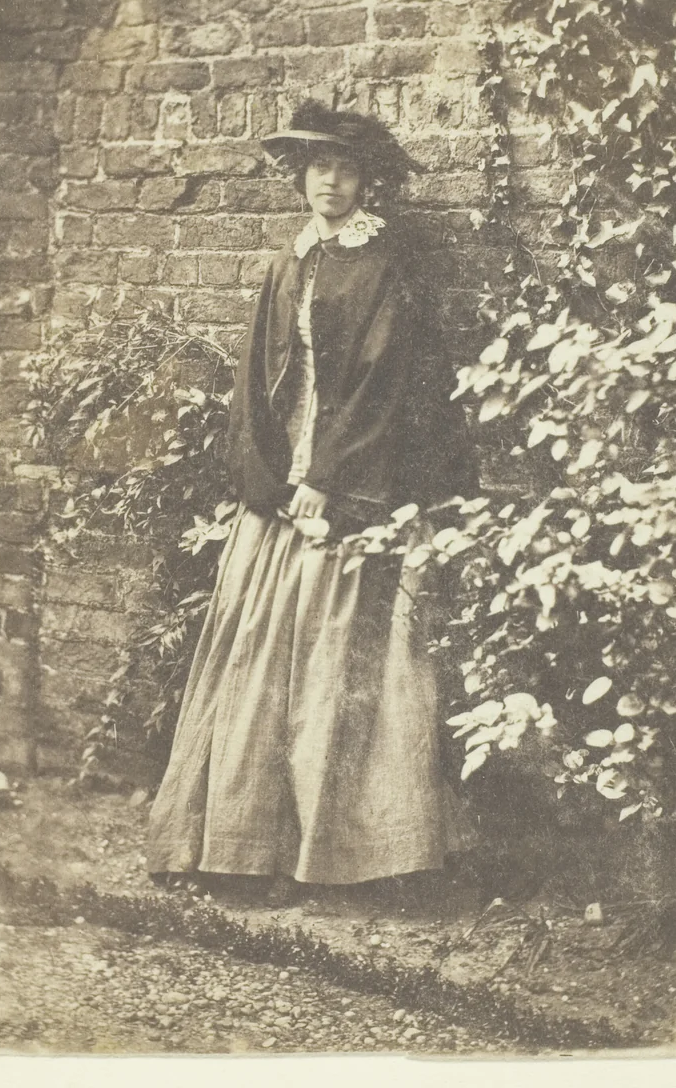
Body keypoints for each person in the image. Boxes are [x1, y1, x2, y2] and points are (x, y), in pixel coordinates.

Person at [146, 100, 477, 896]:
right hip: (281, 485)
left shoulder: (384, 266)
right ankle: (242, 844)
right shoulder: (287, 260)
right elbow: (254, 383)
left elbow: (382, 387)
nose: (329, 182)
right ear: (301, 176)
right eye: (317, 167)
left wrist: (326, 481)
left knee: (339, 661)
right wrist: (267, 479)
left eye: (346, 168)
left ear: (369, 182)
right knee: (257, 650)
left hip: (351, 485)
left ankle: (338, 854)